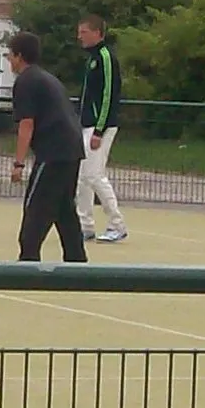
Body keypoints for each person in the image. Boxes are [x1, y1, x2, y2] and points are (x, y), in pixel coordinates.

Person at [6, 31, 88, 263]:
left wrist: (18, 164)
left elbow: (26, 124)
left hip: (53, 153)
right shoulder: (47, 78)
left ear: (19, 56)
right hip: (72, 150)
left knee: (35, 210)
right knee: (64, 210)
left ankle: (28, 262)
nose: (9, 60)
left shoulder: (25, 81)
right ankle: (77, 262)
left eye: (10, 55)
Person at [75, 14, 128, 244]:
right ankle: (85, 225)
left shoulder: (105, 57)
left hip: (100, 127)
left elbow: (109, 94)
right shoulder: (91, 58)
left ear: (97, 33)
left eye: (84, 32)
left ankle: (117, 224)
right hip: (86, 124)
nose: (80, 36)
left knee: (94, 176)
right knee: (82, 178)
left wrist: (99, 129)